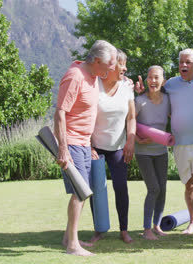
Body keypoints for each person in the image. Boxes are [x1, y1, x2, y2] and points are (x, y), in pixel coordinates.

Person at [54, 40, 117, 256]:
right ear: (97, 61)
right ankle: (72, 245)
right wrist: (62, 149)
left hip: (83, 144)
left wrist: (89, 144)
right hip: (70, 142)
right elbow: (60, 112)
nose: (112, 68)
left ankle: (67, 237)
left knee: (82, 192)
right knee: (80, 193)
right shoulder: (75, 76)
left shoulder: (93, 77)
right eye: (110, 64)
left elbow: (86, 114)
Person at [90, 49, 136, 244]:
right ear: (110, 66)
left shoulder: (127, 86)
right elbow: (87, 117)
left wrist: (130, 141)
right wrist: (89, 146)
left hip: (118, 147)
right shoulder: (94, 85)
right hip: (95, 147)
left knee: (121, 187)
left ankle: (124, 230)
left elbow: (132, 117)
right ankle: (99, 230)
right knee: (97, 189)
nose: (124, 68)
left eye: (125, 64)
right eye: (121, 64)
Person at [164, 49, 193, 239]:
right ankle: (192, 222)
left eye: (188, 62)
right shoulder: (170, 84)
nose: (183, 65)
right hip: (180, 144)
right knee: (188, 185)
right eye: (181, 62)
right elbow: (157, 99)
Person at [134, 65, 171, 240]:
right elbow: (128, 122)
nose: (153, 81)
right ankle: (147, 229)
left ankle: (157, 225)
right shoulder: (139, 101)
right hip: (143, 152)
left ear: (163, 81)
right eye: (150, 77)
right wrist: (136, 139)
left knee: (162, 189)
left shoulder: (168, 100)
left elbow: (177, 116)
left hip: (161, 152)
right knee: (153, 188)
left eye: (156, 78)